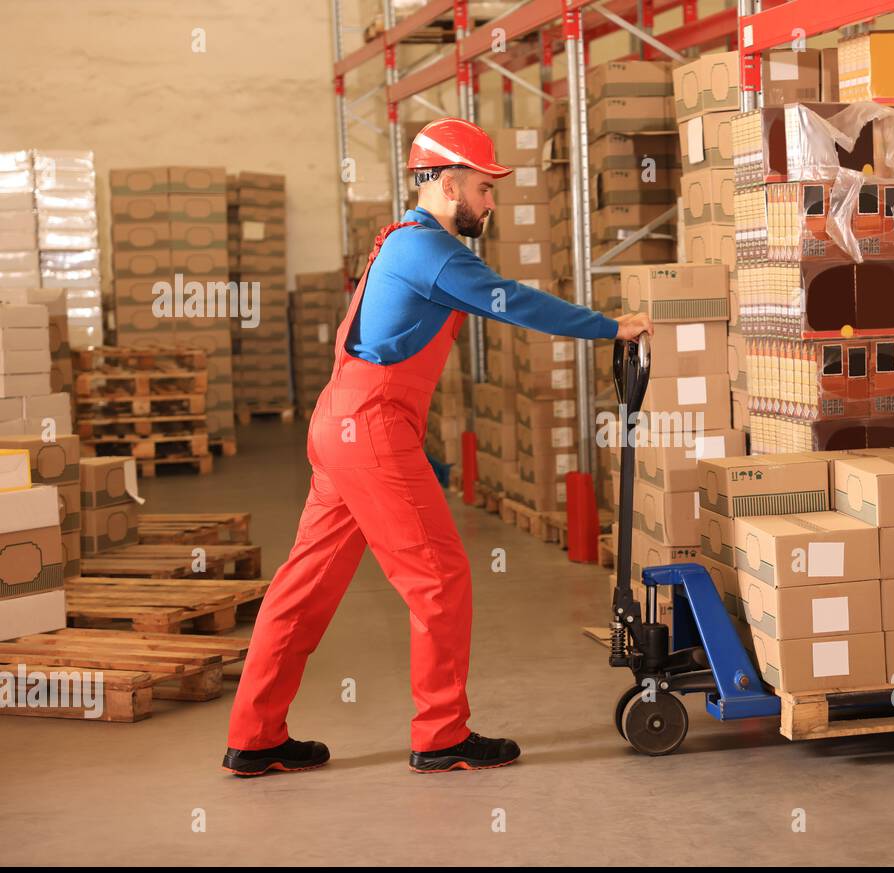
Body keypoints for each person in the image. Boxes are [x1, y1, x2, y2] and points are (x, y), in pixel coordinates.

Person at [223, 118, 652, 776]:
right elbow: (516, 304)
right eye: (484, 188)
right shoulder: (434, 253)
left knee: (301, 590)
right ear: (449, 183)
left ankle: (254, 736)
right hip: (371, 429)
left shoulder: (404, 243)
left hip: (342, 422)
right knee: (439, 576)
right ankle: (442, 732)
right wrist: (611, 326)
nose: (491, 202)